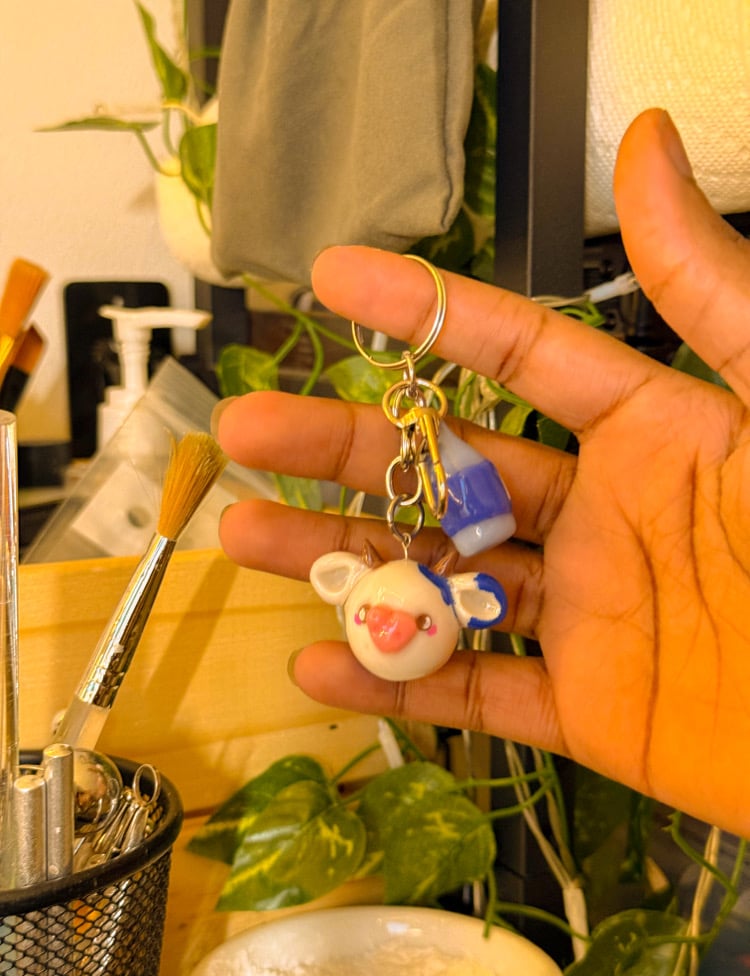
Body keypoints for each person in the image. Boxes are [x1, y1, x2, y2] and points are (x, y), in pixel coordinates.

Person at [213, 108, 750, 839]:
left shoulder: (448, 484)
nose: (391, 630)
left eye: (390, 618)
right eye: (391, 619)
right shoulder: (440, 487)